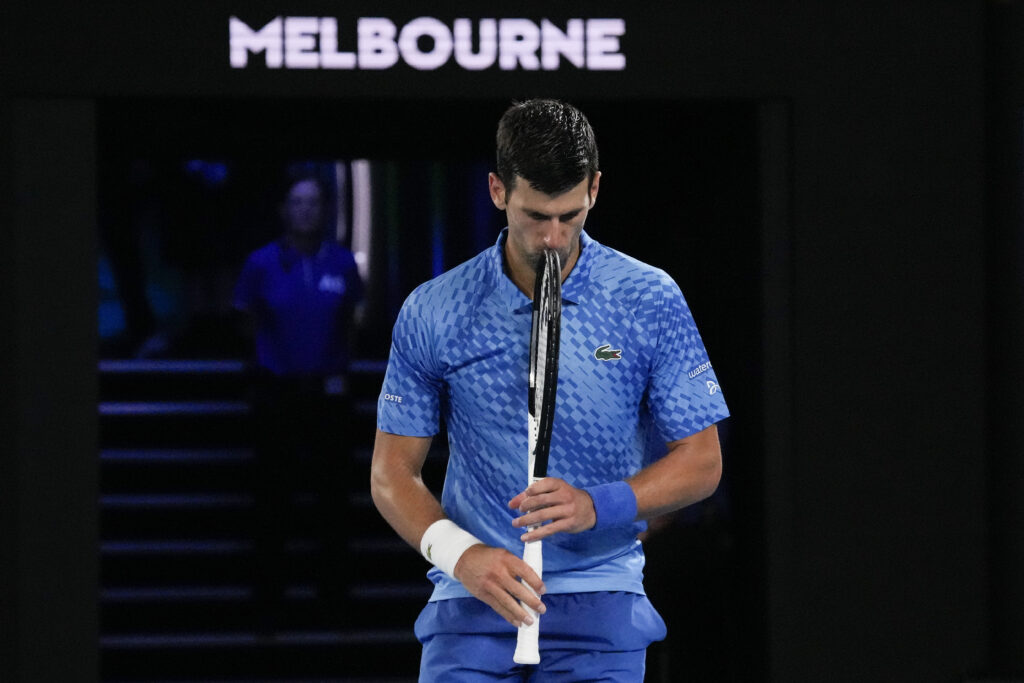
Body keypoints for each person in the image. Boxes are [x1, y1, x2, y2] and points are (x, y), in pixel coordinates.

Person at [371, 99, 729, 680]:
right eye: (537, 216)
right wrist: (461, 556)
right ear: (496, 190)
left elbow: (702, 462)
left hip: (603, 596)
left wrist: (598, 504)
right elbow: (392, 474)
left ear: (594, 189)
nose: (554, 237)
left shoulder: (648, 298)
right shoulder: (434, 308)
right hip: (473, 597)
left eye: (570, 215)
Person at [233, 173, 364, 631]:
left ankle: (334, 600)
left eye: (313, 203)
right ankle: (269, 604)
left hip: (327, 399)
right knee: (273, 502)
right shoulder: (260, 263)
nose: (306, 210)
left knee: (331, 502)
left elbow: (351, 319)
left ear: (324, 210)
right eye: (297, 202)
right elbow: (247, 319)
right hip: (278, 397)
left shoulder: (343, 263)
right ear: (284, 210)